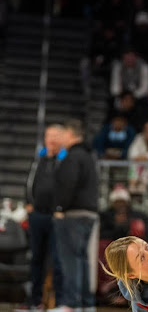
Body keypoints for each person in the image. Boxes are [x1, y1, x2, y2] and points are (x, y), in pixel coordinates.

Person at [53, 119, 99, 310]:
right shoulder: (89, 156)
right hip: (89, 213)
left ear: (70, 134)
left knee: (70, 259)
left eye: (63, 133)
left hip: (74, 214)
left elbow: (68, 185)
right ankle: (86, 304)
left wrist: (59, 208)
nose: (61, 137)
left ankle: (71, 304)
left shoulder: (73, 156)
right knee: (82, 260)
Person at [25, 125, 65, 309]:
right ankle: (35, 300)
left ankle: (58, 302)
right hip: (37, 215)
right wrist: (28, 202)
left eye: (56, 136)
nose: (52, 139)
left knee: (57, 261)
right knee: (36, 259)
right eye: (49, 135)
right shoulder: (39, 158)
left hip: (56, 217)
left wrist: (61, 208)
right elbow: (29, 181)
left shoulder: (65, 159)